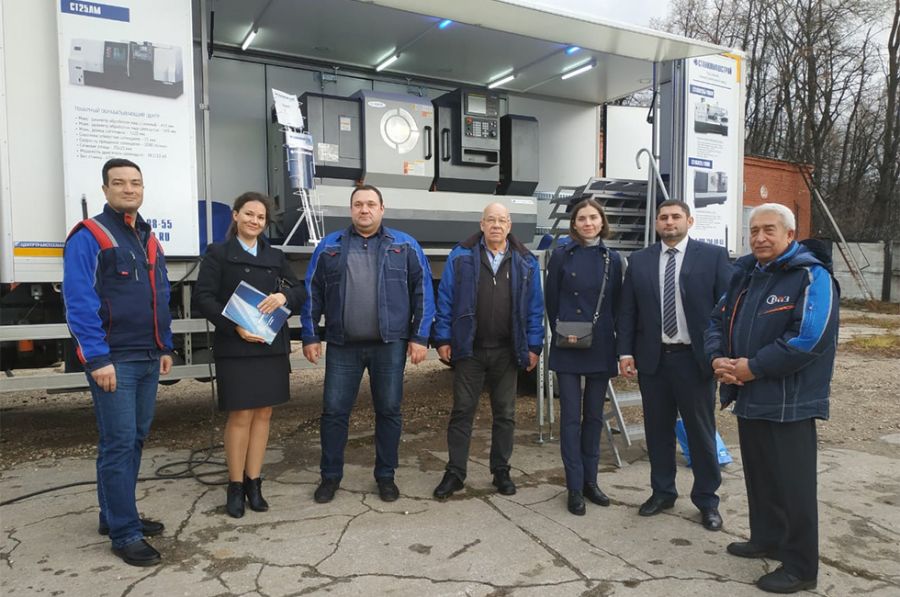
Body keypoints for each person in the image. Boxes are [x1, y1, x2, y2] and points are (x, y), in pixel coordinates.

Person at [705, 203, 839, 594]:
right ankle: (767, 538)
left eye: (769, 230)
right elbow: (716, 320)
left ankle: (801, 567)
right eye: (754, 231)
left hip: (790, 402)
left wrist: (754, 367)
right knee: (761, 477)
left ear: (790, 234)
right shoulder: (746, 275)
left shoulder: (812, 276)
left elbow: (809, 338)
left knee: (794, 487)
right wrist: (717, 358)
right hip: (749, 395)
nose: (760, 238)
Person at [63, 158, 173, 567]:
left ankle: (114, 515)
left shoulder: (147, 238)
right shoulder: (89, 235)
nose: (129, 189)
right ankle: (125, 533)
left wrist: (165, 346)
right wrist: (97, 358)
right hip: (115, 361)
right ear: (105, 189)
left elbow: (160, 296)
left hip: (148, 356)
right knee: (119, 442)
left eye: (135, 183)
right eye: (120, 183)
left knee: (133, 439)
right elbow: (78, 301)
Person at [301, 184, 435, 503]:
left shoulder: (405, 245)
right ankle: (330, 477)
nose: (364, 209)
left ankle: (386, 476)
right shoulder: (329, 246)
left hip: (389, 345)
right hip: (342, 345)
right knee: (334, 412)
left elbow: (423, 291)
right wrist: (310, 334)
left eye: (371, 204)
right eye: (358, 204)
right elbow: (312, 292)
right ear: (351, 210)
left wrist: (419, 337)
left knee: (388, 411)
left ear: (382, 209)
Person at [616, 199, 732, 531]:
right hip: (653, 361)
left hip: (695, 360)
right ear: (656, 223)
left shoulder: (712, 257)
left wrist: (722, 354)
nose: (669, 222)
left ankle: (707, 500)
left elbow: (726, 310)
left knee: (700, 432)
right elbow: (628, 311)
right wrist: (625, 352)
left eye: (676, 217)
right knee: (657, 432)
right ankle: (662, 492)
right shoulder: (639, 261)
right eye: (663, 217)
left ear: (689, 221)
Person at [193, 192, 306, 519]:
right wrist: (235, 327)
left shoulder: (275, 255)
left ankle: (254, 482)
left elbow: (300, 290)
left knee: (264, 414)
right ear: (235, 215)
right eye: (249, 214)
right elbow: (204, 298)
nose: (254, 221)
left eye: (260, 217)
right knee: (241, 415)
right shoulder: (218, 254)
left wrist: (283, 297)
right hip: (236, 345)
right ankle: (235, 485)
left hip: (269, 345)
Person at [432, 202, 544, 500]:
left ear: (509, 225)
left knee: (505, 414)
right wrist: (443, 338)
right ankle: (455, 473)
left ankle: (501, 471)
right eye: (490, 220)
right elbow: (446, 299)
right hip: (469, 349)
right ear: (481, 225)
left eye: (501, 220)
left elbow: (534, 308)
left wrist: (534, 346)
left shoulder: (525, 261)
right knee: (462, 412)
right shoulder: (461, 256)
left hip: (507, 351)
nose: (496, 225)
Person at [545, 198, 622, 515]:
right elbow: (551, 300)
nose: (588, 223)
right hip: (569, 342)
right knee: (570, 419)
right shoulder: (561, 255)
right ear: (574, 224)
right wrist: (567, 330)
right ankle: (574, 487)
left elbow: (617, 303)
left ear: (602, 222)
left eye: (593, 218)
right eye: (582, 218)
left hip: (600, 343)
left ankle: (591, 482)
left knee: (593, 417)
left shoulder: (613, 259)